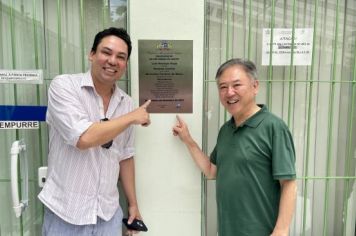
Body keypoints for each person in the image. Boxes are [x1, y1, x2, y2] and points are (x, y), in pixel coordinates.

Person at [39, 27, 150, 236]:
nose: (112, 61)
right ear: (92, 54)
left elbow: (125, 156)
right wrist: (132, 117)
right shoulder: (64, 86)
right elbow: (83, 138)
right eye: (106, 52)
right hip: (65, 215)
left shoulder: (125, 103)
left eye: (120, 57)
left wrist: (133, 204)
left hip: (107, 216)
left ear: (125, 65)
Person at [173, 58, 297, 236]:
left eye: (236, 85)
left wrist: (281, 230)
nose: (229, 92)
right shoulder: (226, 129)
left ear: (255, 86)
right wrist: (188, 140)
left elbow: (289, 183)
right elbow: (211, 171)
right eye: (223, 87)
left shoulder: (273, 127)